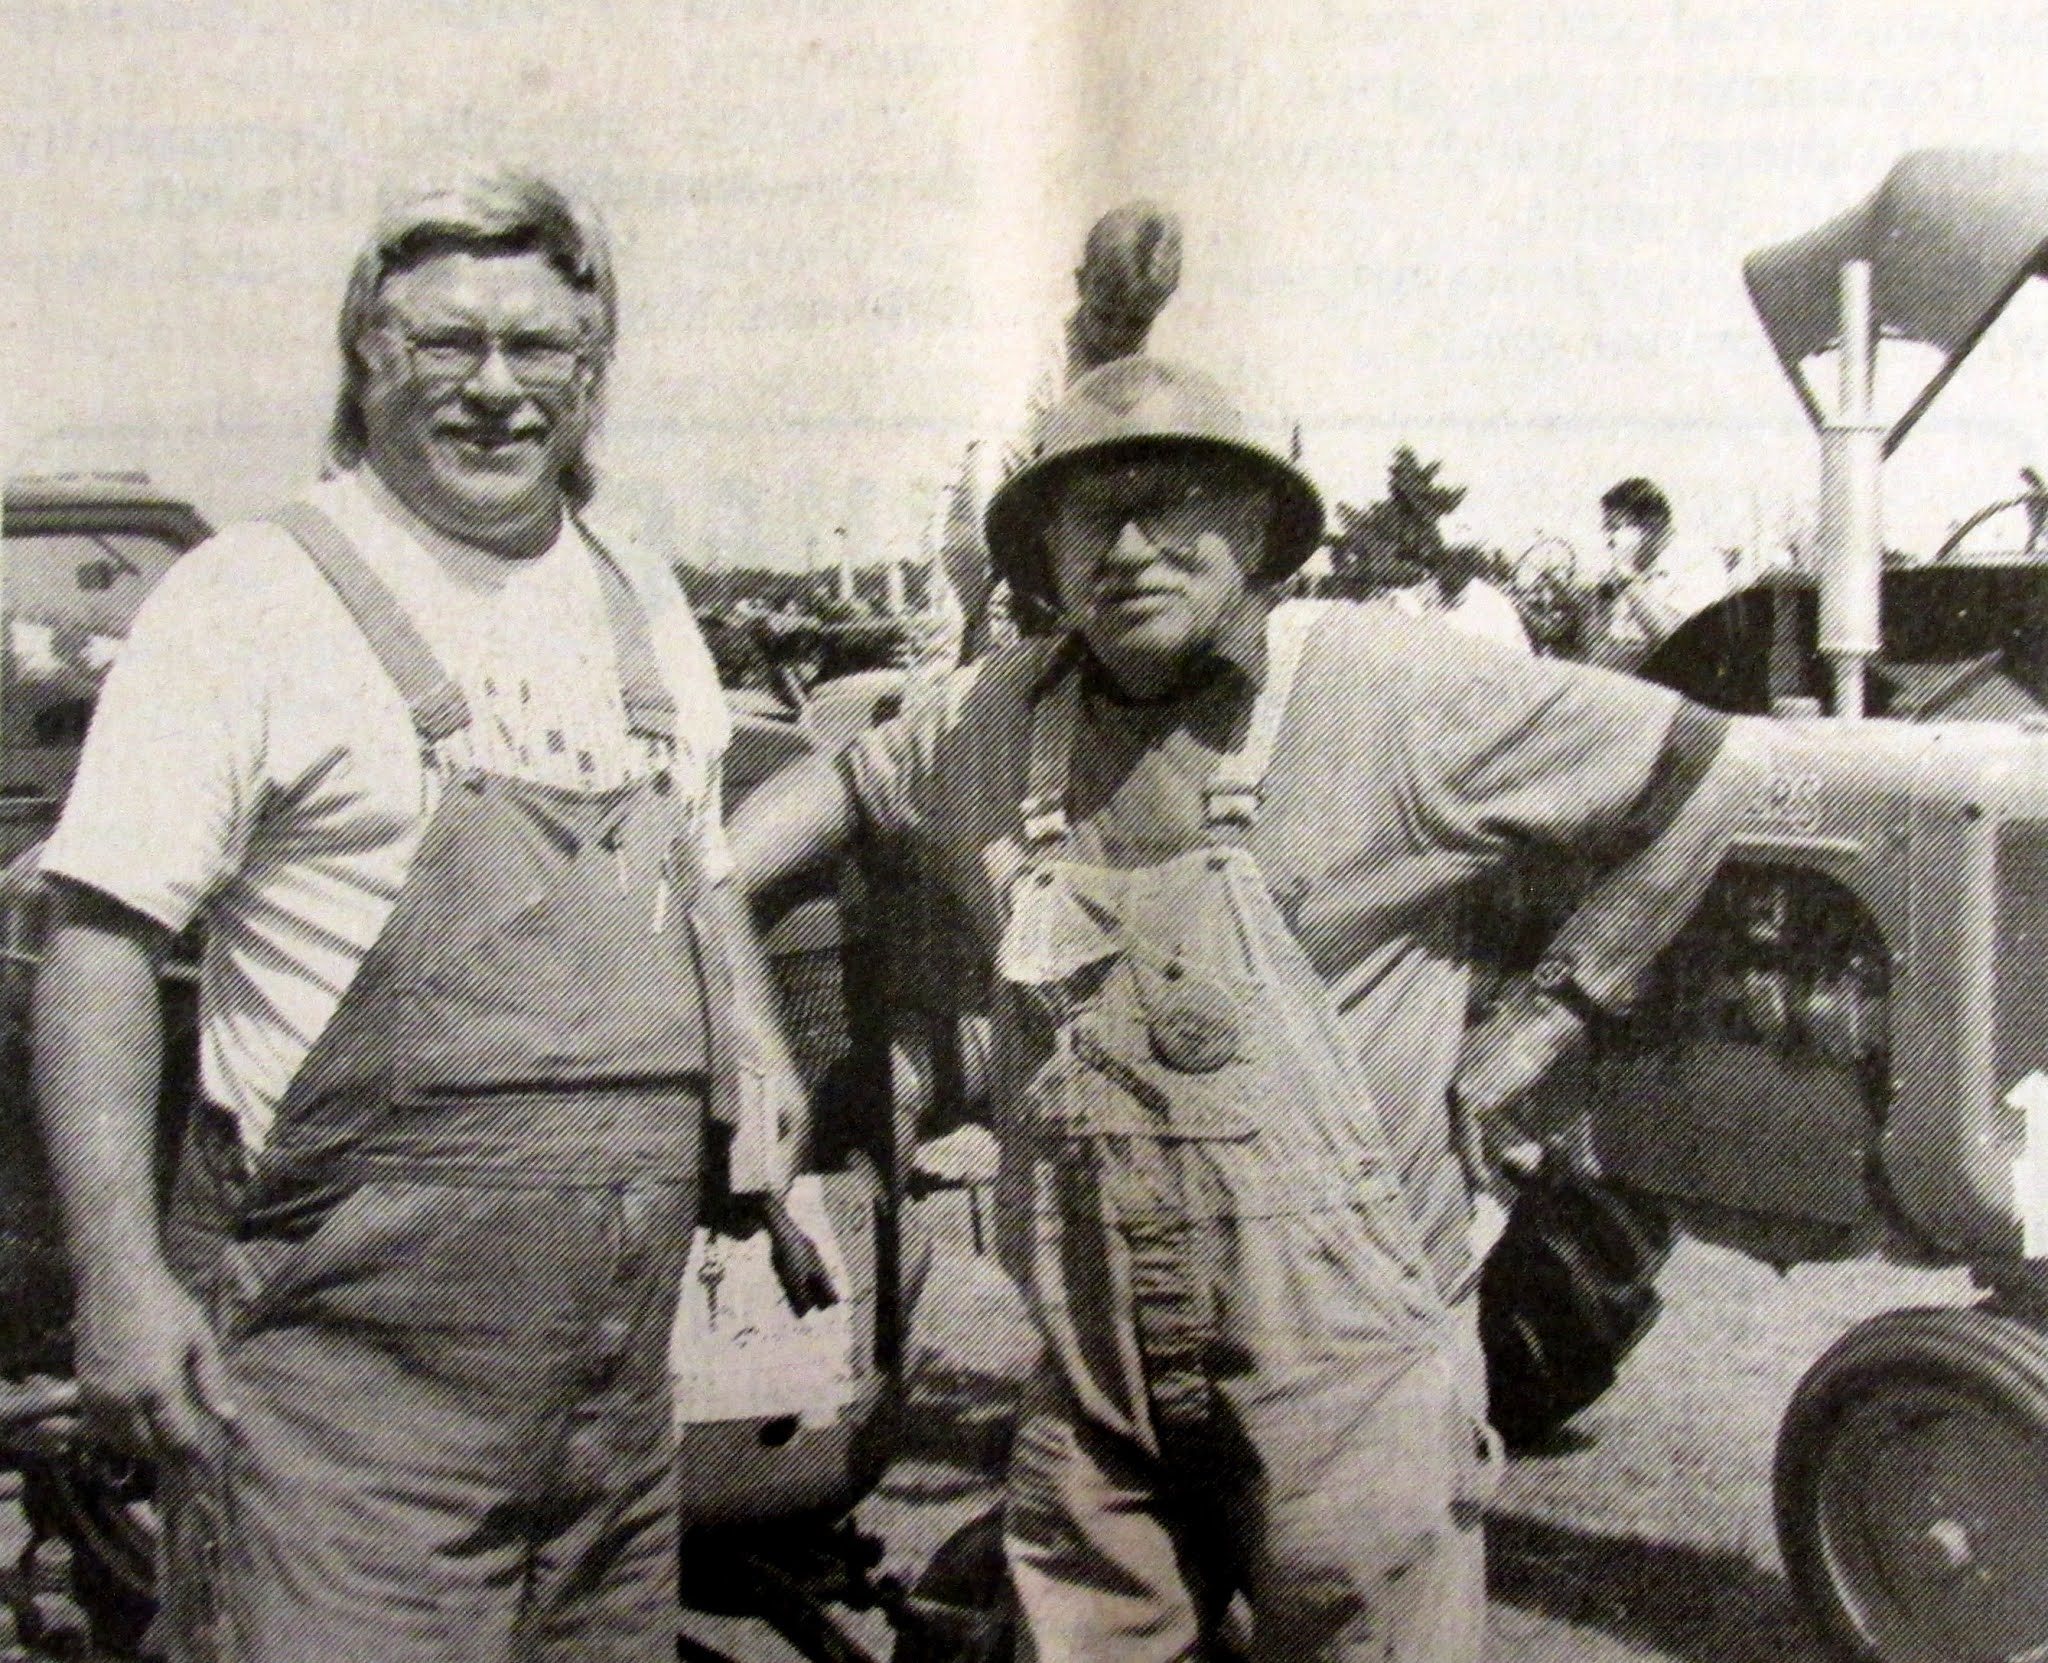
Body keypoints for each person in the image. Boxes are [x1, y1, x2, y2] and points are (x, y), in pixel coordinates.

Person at [731, 354, 1768, 1660]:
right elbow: (846, 779)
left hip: (1350, 1388)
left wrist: (1552, 1017)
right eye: (1089, 512)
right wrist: (719, 875)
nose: (1133, 544)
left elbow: (1707, 767)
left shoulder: (1393, 692)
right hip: (1098, 1389)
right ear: (1043, 553)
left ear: (1262, 528)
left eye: (1178, 500)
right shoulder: (1000, 716)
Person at [32, 168, 831, 1663]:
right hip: (342, 1411)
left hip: (608, 1414)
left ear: (590, 374)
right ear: (365, 360)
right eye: (443, 343)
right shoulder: (247, 600)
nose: (495, 389)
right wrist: (123, 1280)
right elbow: (98, 944)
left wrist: (757, 1045)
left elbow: (702, 858)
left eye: (539, 348)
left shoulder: (636, 593)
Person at [1588, 475, 1733, 670]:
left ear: (1652, 526)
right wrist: (1603, 599)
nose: (1609, 540)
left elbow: (1681, 645)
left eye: (1615, 528)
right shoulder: (1634, 565)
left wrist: (1628, 583)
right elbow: (1598, 649)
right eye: (1607, 530)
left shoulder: (1699, 562)